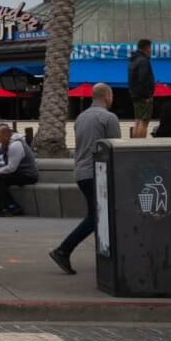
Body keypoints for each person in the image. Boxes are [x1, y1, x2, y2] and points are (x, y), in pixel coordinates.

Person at [50, 81, 120, 275]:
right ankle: (64, 249)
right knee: (97, 215)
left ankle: (105, 253)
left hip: (81, 172)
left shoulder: (80, 118)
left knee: (98, 214)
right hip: (99, 173)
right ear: (107, 96)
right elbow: (114, 148)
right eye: (112, 96)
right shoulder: (109, 118)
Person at [0, 125, 37, 216]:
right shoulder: (6, 141)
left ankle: (7, 208)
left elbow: (11, 168)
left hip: (27, 175)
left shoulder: (15, 146)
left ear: (5, 136)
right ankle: (10, 207)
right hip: (16, 171)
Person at [127, 39, 155, 138]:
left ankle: (135, 144)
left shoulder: (133, 60)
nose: (151, 51)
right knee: (144, 121)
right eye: (151, 48)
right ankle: (141, 145)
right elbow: (143, 79)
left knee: (138, 120)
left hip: (135, 95)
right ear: (147, 49)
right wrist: (147, 95)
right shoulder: (144, 61)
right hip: (144, 96)